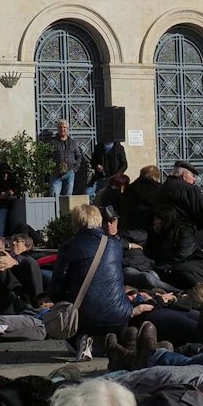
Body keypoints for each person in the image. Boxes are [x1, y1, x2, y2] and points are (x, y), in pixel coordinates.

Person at [50, 203, 128, 357]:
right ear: (99, 221)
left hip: (84, 317)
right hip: (118, 313)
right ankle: (110, 342)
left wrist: (55, 299)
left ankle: (81, 339)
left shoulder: (69, 246)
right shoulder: (115, 245)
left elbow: (57, 286)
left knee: (67, 312)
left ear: (75, 223)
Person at [47, 119, 89, 198]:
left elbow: (79, 156)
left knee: (68, 197)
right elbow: (47, 156)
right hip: (56, 173)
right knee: (54, 196)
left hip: (69, 173)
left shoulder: (73, 142)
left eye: (64, 127)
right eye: (60, 127)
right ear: (58, 129)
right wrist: (50, 168)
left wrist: (75, 169)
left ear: (67, 129)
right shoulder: (52, 142)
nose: (62, 129)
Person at [88, 132, 127, 196]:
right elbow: (93, 161)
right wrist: (96, 166)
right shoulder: (98, 147)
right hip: (100, 177)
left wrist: (117, 175)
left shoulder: (119, 148)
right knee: (88, 193)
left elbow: (124, 164)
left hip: (114, 178)